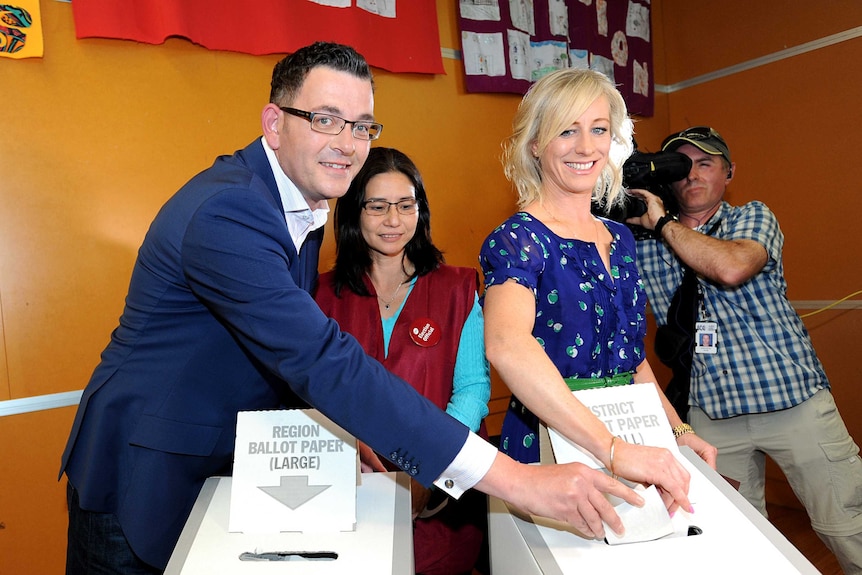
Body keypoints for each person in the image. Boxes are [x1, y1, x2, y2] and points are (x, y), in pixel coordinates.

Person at [58, 42, 677, 575]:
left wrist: (341, 429)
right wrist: (513, 479)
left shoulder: (294, 206)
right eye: (326, 119)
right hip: (145, 473)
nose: (348, 143)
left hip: (219, 464)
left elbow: (272, 358)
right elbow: (323, 361)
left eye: (362, 125)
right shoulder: (232, 212)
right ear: (274, 122)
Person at [478, 68, 717, 507]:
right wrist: (610, 448)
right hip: (550, 443)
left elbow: (632, 359)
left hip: (631, 434)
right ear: (535, 143)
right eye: (567, 130)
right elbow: (506, 345)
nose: (586, 147)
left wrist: (678, 431)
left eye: (599, 129)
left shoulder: (620, 237)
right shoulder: (518, 239)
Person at [629, 125, 862, 573]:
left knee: (846, 526)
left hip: (792, 402)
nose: (692, 176)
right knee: (733, 540)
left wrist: (663, 223)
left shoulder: (751, 219)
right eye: (681, 166)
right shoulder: (642, 242)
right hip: (711, 415)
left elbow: (732, 267)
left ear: (729, 172)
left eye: (706, 163)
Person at [315, 147, 490, 575]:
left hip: (441, 492)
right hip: (349, 488)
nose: (393, 220)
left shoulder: (457, 288)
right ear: (354, 212)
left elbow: (471, 389)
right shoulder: (319, 296)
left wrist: (429, 471)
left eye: (406, 205)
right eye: (377, 206)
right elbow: (309, 392)